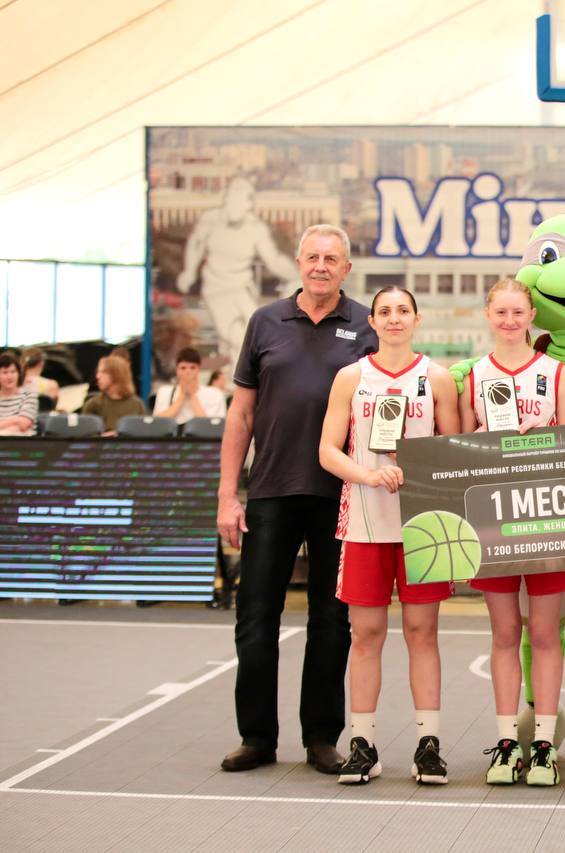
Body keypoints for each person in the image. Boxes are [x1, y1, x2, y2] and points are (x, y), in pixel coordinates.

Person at [217, 224, 377, 774]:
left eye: (332, 258)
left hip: (342, 495)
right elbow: (241, 415)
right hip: (270, 491)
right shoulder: (265, 322)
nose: (321, 266)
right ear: (298, 262)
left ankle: (321, 739)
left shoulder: (367, 326)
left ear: (346, 268)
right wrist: (227, 495)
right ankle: (257, 737)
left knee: (331, 620)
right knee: (255, 618)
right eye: (313, 257)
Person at [318, 285, 460, 785]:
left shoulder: (437, 378)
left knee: (422, 633)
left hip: (423, 525)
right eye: (385, 311)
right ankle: (363, 745)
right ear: (372, 322)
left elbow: (454, 450)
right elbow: (327, 451)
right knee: (366, 635)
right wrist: (368, 474)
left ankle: (428, 745)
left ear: (417, 319)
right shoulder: (351, 377)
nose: (394, 318)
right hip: (364, 521)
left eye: (403, 311)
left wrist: (419, 466)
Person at [460, 278, 565, 787]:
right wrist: (484, 439)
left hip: (547, 515)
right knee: (505, 633)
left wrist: (544, 438)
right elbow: (458, 450)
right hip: (493, 517)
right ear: (488, 315)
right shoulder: (473, 376)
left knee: (546, 634)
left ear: (531, 316)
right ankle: (507, 745)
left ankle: (545, 747)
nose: (509, 321)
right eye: (501, 312)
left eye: (517, 312)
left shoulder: (556, 374)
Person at [176, 176, 298, 366]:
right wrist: (189, 271)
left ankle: (241, 371)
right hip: (216, 289)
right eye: (231, 201)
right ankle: (239, 372)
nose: (234, 207)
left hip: (242, 288)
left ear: (248, 205)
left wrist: (298, 275)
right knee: (236, 335)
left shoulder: (256, 228)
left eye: (239, 202)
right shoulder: (210, 219)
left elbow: (274, 260)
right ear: (226, 200)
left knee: (257, 335)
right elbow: (196, 244)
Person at [154, 347, 228, 424]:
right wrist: (182, 395)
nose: (188, 372)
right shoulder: (165, 392)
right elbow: (158, 423)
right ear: (177, 370)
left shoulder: (214, 394)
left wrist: (192, 395)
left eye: (192, 368)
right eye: (183, 368)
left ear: (199, 369)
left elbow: (210, 426)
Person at [82, 355, 145, 435]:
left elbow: (143, 433)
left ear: (116, 374)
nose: (97, 376)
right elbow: (85, 435)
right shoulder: (93, 404)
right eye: (98, 372)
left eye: (103, 372)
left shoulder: (137, 405)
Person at [0, 352, 37, 436]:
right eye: (5, 372)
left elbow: (24, 424)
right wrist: (15, 420)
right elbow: (18, 423)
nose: (9, 377)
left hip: (22, 442)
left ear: (19, 374)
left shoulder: (29, 396)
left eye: (13, 372)